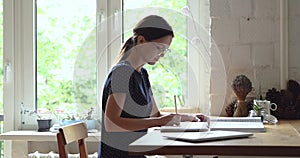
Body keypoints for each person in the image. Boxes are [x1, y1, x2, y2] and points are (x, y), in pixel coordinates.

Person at [99, 15, 208, 158]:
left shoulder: (142, 74)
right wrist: (159, 122)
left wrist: (189, 118)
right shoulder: (122, 72)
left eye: (165, 50)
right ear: (141, 41)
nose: (162, 54)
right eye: (159, 47)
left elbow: (156, 116)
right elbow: (112, 125)